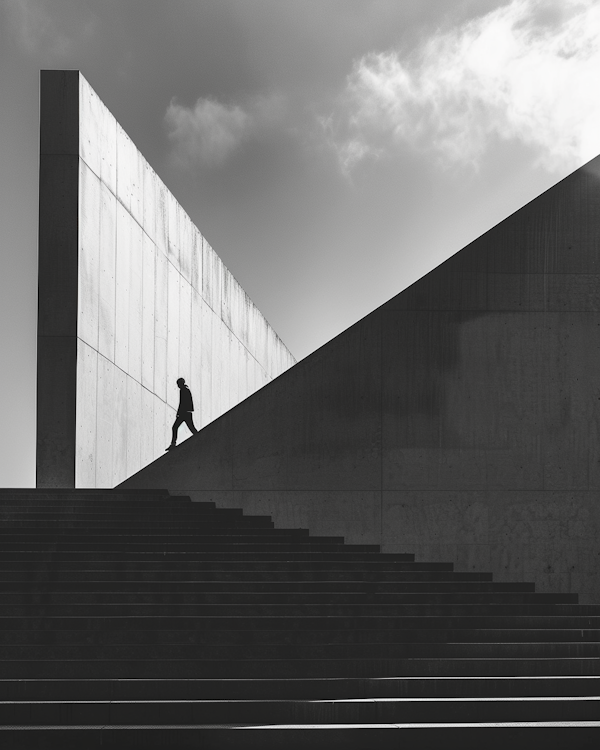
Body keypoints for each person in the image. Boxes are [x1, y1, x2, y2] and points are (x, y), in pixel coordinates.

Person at [166, 378, 198, 450]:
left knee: (175, 427)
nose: (177, 386)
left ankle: (173, 444)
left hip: (184, 413)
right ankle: (199, 437)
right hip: (187, 413)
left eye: (178, 384)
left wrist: (178, 413)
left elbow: (182, 403)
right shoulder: (186, 390)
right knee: (191, 428)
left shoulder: (183, 390)